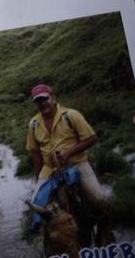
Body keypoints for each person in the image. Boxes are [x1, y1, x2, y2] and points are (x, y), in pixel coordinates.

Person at [26, 84, 110, 222]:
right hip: (49, 169)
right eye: (38, 101)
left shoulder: (71, 115)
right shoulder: (33, 123)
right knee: (37, 207)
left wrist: (69, 153)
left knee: (100, 200)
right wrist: (38, 179)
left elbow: (92, 138)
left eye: (45, 99)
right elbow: (35, 153)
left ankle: (106, 230)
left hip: (77, 163)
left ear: (53, 98)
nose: (42, 104)